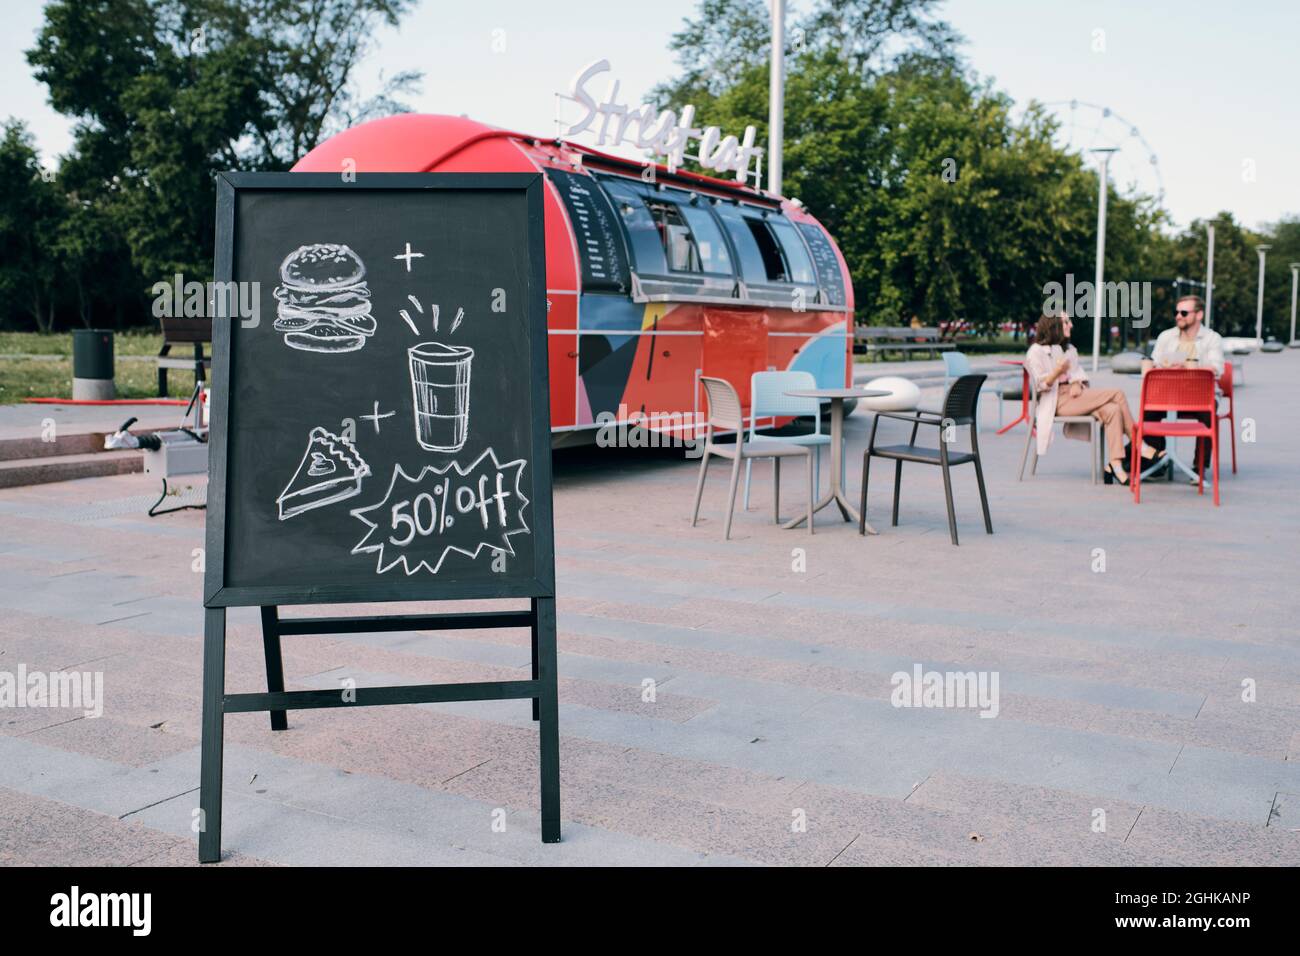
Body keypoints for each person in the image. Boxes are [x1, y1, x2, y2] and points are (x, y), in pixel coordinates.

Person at [1025, 313, 1157, 485]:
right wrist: (1057, 372)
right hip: (1054, 401)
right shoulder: (1036, 351)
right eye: (1066, 322)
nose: (1070, 325)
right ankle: (1139, 442)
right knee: (1117, 393)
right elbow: (1039, 385)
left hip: (1075, 397)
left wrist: (1077, 383)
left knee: (1113, 410)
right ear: (1053, 326)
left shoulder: (1070, 349)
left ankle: (1115, 466)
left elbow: (1078, 374)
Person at [1144, 295, 1224, 477]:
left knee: (1208, 413)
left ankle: (1199, 468)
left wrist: (1190, 368)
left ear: (1199, 315)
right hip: (1168, 393)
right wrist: (1165, 366)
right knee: (1147, 412)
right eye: (1176, 312)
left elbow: (1217, 368)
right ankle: (1158, 458)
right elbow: (1154, 363)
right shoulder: (1166, 336)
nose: (1178, 316)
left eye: (1184, 312)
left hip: (1199, 394)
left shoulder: (1212, 338)